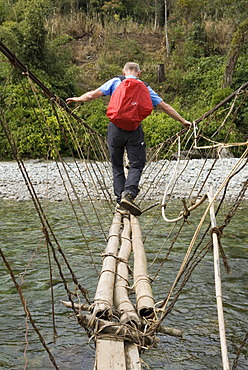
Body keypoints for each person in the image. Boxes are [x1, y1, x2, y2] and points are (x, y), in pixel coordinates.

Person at [66, 62, 191, 216]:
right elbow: (165, 107)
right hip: (134, 129)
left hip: (115, 129)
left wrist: (78, 99)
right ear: (139, 73)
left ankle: (120, 201)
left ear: (123, 72)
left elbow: (92, 94)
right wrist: (183, 121)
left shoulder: (115, 82)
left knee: (117, 166)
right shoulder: (145, 87)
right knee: (137, 164)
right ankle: (129, 194)